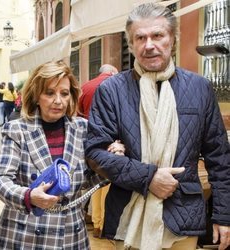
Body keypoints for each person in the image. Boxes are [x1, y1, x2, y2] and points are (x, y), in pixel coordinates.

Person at [85, 3, 230, 250]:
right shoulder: (111, 91)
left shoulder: (199, 88)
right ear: (131, 45)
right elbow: (95, 153)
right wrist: (149, 177)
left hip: (183, 216)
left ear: (172, 39)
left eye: (157, 35)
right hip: (128, 216)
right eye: (140, 38)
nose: (149, 45)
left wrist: (223, 215)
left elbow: (220, 158)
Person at [0, 60, 124, 250]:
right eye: (50, 93)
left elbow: (89, 180)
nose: (58, 101)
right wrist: (28, 196)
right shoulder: (17, 129)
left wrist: (111, 160)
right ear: (37, 95)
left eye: (64, 93)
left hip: (70, 236)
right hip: (24, 235)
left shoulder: (83, 129)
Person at [79, 64, 118, 238]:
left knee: (94, 181)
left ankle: (95, 223)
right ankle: (105, 223)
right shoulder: (116, 84)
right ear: (112, 72)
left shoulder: (85, 87)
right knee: (107, 181)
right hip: (111, 138)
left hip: (89, 137)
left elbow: (78, 113)